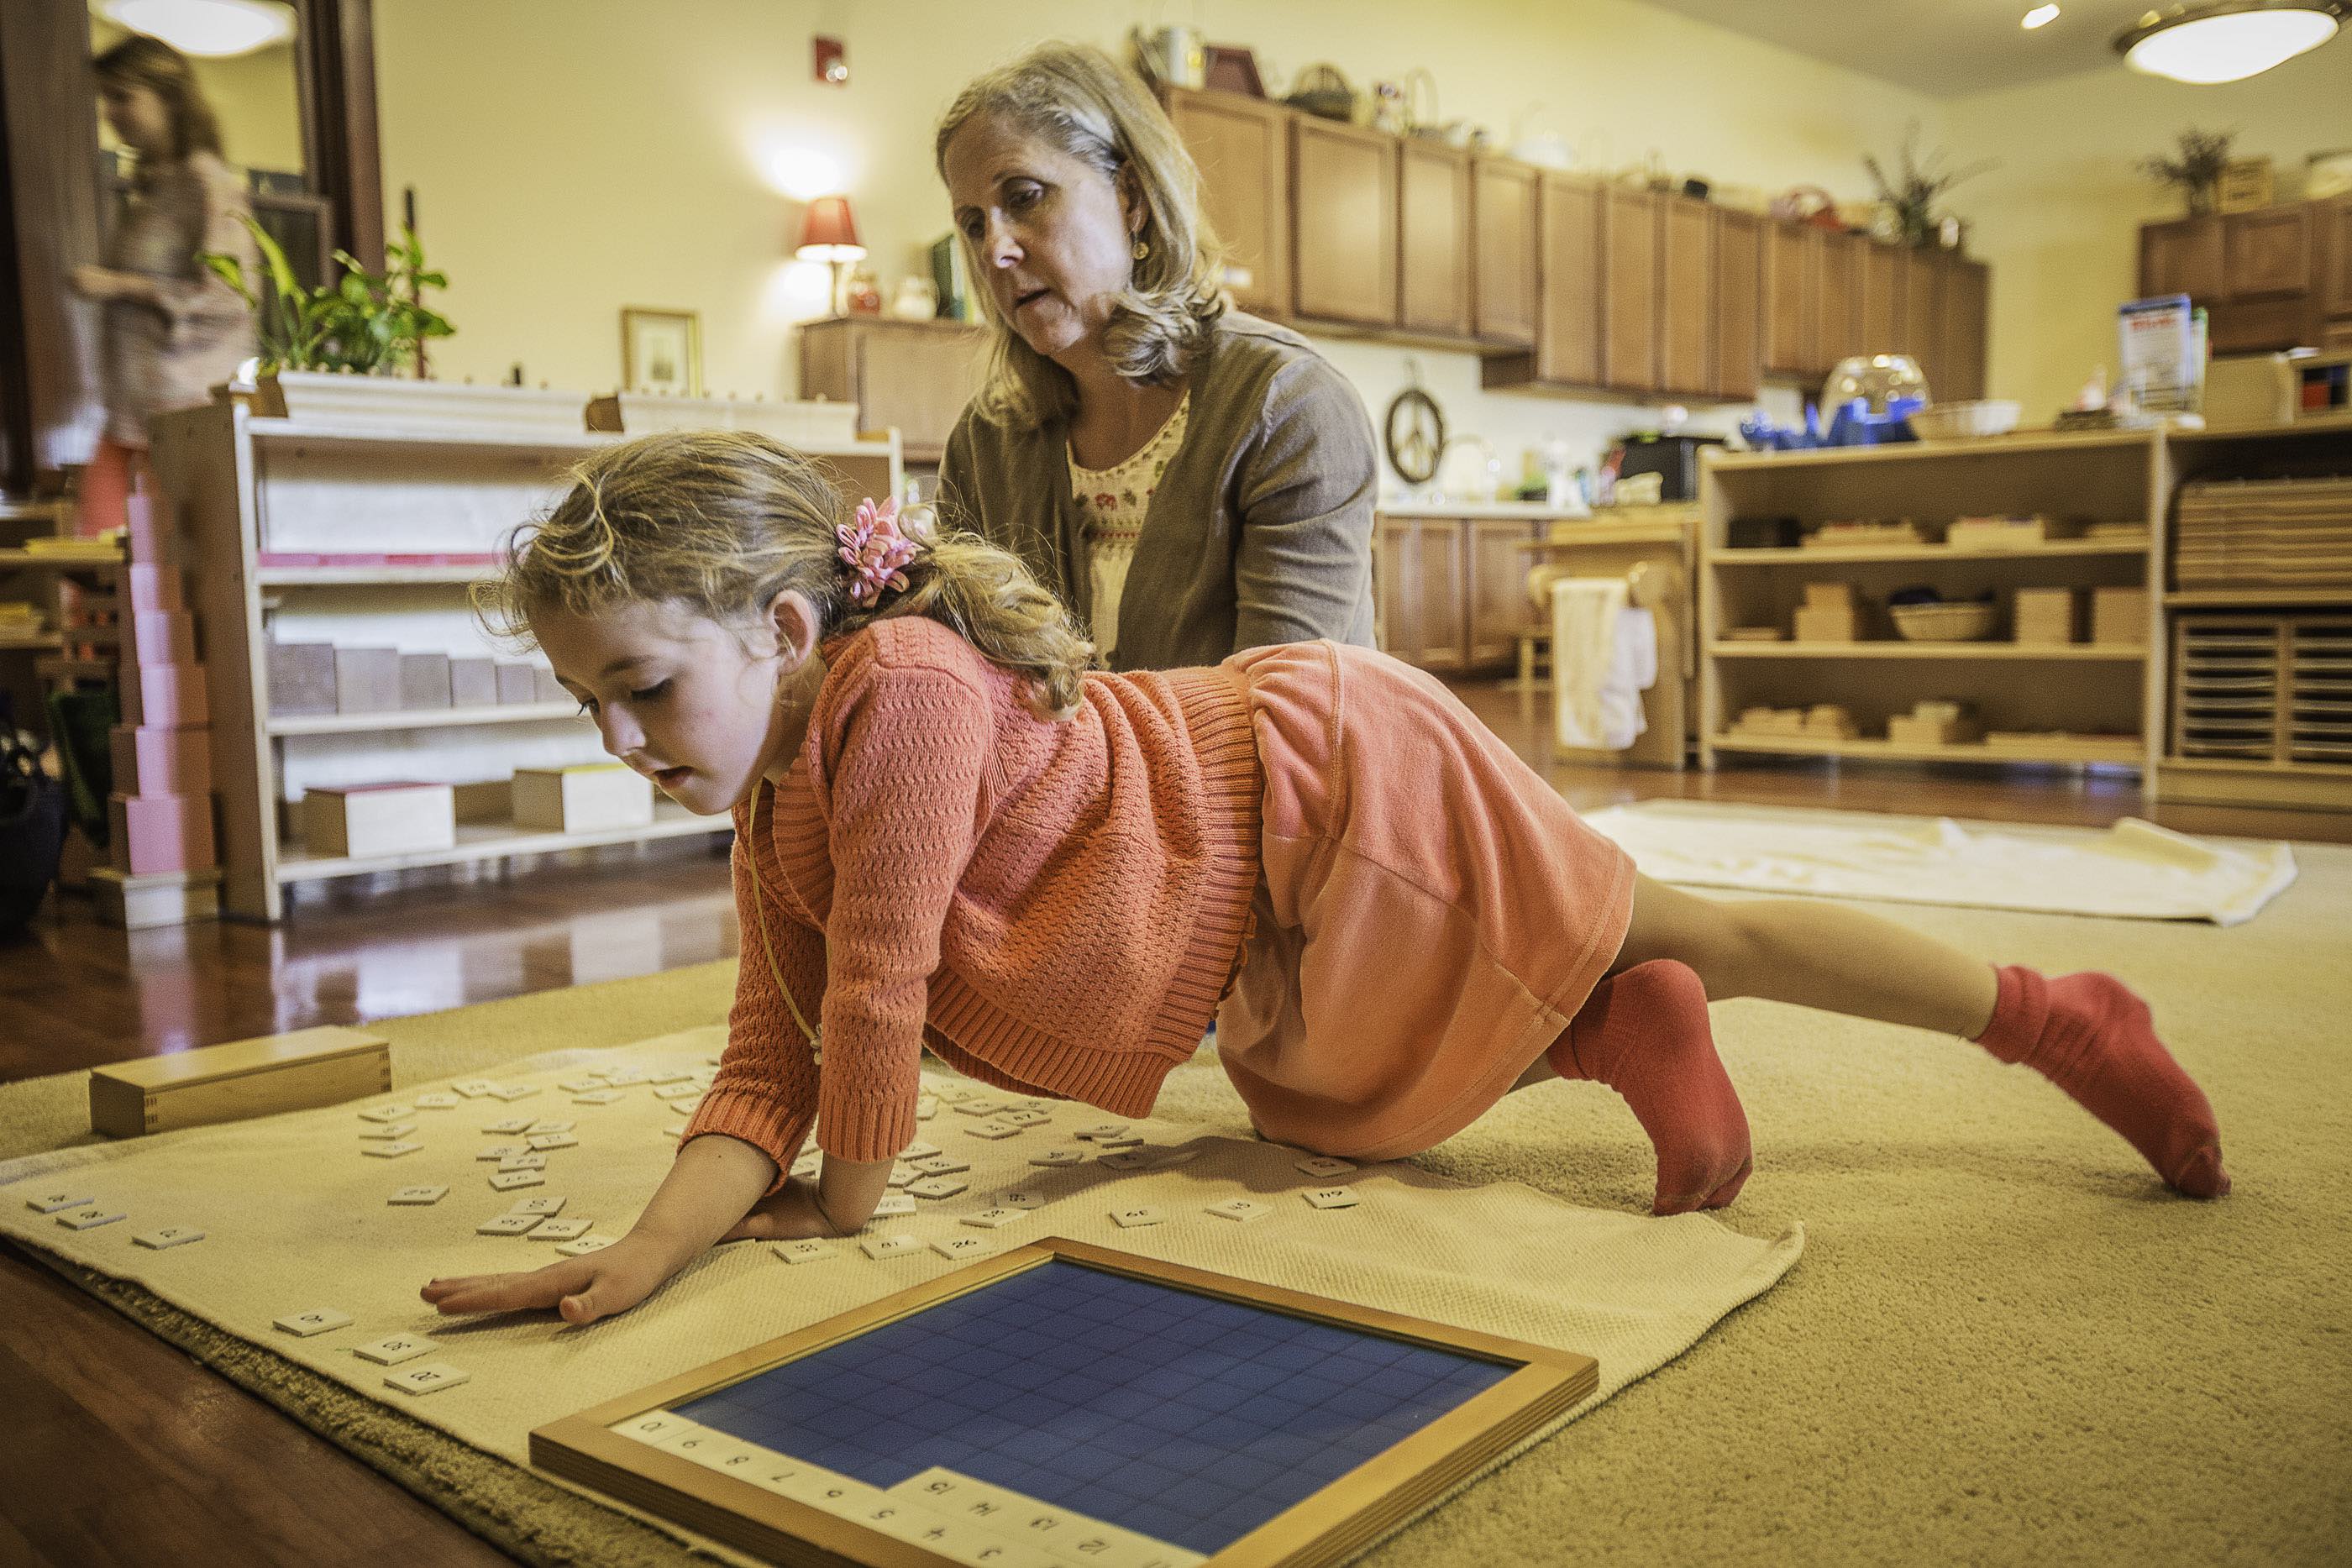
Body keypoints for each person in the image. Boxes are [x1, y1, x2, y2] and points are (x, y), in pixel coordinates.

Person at [423, 431, 2228, 1328]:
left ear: (789, 626)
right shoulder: (766, 803)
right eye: (594, 704)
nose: (619, 739)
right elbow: (776, 1039)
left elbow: (876, 994)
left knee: (1704, 922)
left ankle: (2052, 1018)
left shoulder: (892, 691)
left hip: (1324, 782)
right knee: (1347, 1114)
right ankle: (1617, 1032)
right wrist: (642, 1250)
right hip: (1248, 885)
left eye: (641, 687)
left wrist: (840, 1211)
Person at [933, 43, 1377, 672]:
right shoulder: (984, 445)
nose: (994, 250)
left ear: (1131, 199)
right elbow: (964, 687)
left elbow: (1284, 717)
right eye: (974, 223)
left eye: (1026, 196)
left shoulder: (1290, 407)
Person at [70, 34, 256, 537]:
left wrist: (119, 286)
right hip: (130, 413)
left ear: (167, 97)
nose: (111, 113)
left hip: (182, 415)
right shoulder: (151, 188)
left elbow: (229, 298)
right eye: (106, 99)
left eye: (123, 97)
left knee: (170, 582)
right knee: (94, 567)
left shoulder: (209, 185)